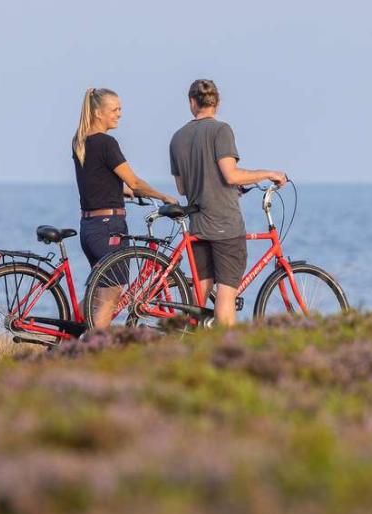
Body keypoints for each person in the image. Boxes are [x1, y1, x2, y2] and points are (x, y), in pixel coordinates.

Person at [168, 79, 288, 327]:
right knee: (227, 292)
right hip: (224, 223)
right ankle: (228, 349)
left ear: (192, 102)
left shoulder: (177, 138)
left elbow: (182, 188)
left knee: (200, 291)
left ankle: (189, 344)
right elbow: (231, 174)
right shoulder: (221, 130)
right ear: (217, 102)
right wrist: (268, 173)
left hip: (198, 224)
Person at [72, 87, 176, 328]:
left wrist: (122, 191)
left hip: (89, 228)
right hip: (109, 228)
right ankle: (97, 352)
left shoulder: (81, 141)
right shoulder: (107, 143)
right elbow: (135, 182)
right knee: (112, 294)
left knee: (97, 294)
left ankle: (64, 336)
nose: (119, 114)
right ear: (98, 112)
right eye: (115, 109)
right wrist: (165, 197)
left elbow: (95, 180)